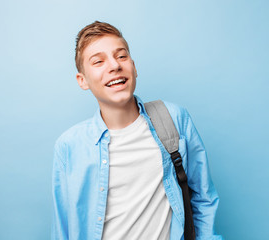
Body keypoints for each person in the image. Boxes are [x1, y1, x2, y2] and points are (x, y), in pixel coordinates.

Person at [52, 21, 223, 240]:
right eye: (98, 61)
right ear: (82, 80)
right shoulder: (69, 146)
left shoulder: (173, 119)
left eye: (121, 56)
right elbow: (63, 227)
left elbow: (203, 198)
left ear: (134, 66)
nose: (114, 65)